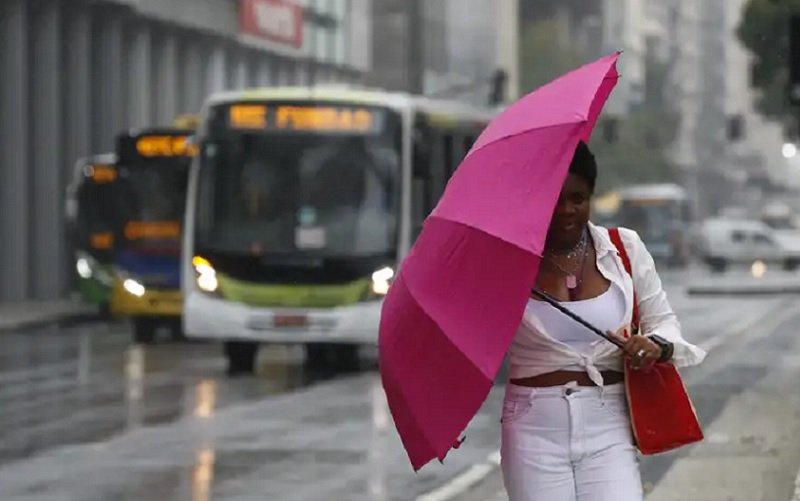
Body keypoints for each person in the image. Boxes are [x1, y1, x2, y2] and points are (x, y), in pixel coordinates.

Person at [500, 141, 707, 501]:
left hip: (609, 421)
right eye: (555, 198)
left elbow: (664, 323)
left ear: (592, 196)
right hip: (532, 425)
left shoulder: (624, 249)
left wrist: (656, 345)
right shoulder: (506, 261)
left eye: (578, 198)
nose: (566, 210)